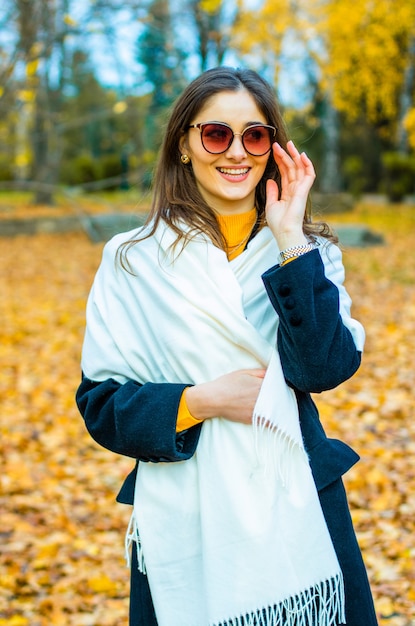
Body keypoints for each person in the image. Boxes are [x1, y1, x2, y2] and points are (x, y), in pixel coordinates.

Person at [76, 67, 378, 626]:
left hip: (299, 515)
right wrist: (201, 400)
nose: (236, 152)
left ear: (272, 149)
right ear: (185, 146)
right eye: (216, 134)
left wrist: (289, 240)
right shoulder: (131, 260)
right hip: (185, 525)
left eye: (255, 135)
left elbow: (324, 368)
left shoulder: (307, 253)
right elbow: (102, 406)